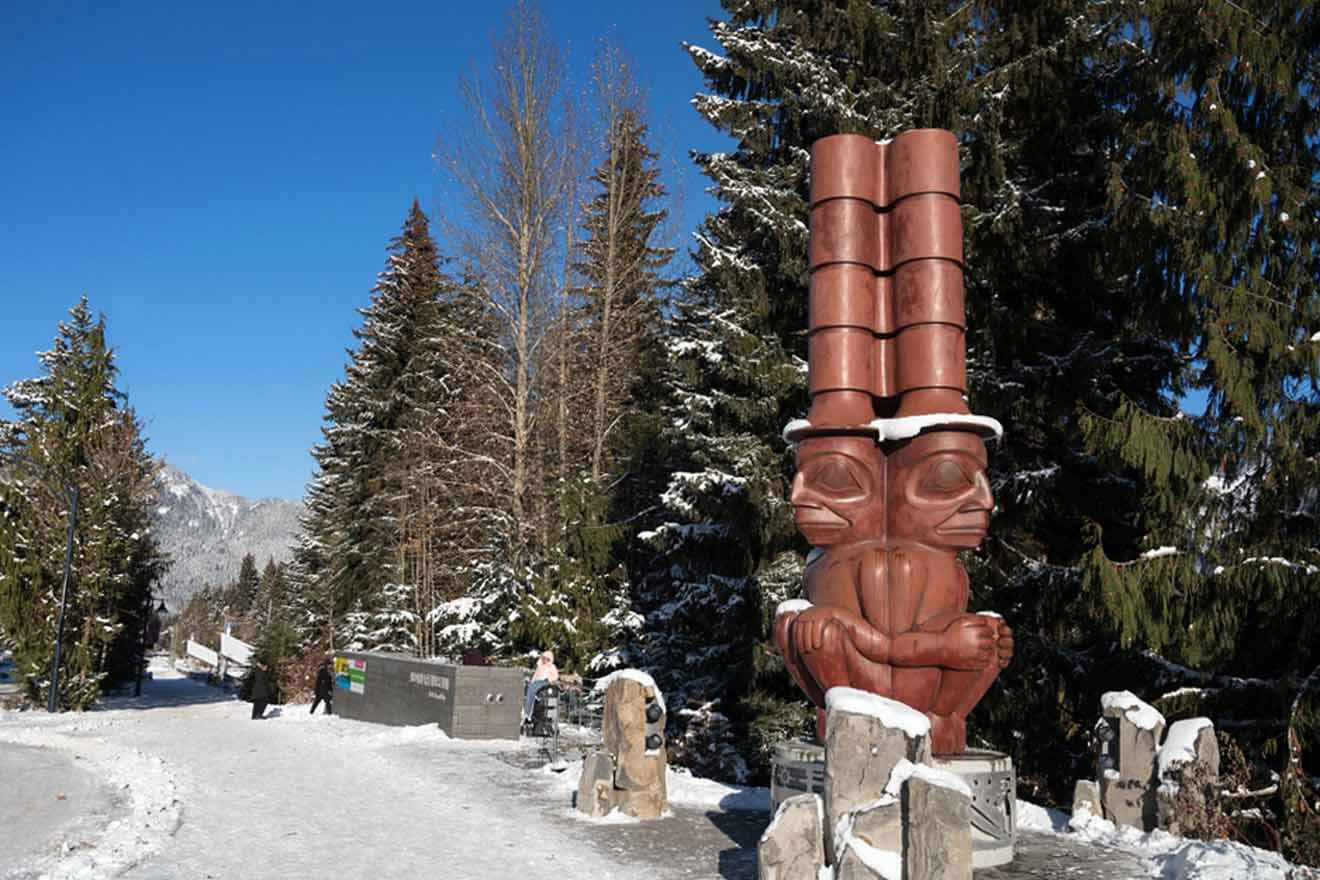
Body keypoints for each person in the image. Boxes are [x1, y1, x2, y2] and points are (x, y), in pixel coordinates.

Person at [522, 650, 558, 725]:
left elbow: (555, 676)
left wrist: (549, 679)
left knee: (534, 686)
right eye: (544, 658)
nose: (545, 660)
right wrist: (532, 682)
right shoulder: (540, 666)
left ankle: (529, 710)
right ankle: (528, 711)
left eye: (547, 659)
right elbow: (535, 676)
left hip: (545, 682)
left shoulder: (552, 667)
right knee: (530, 688)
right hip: (537, 682)